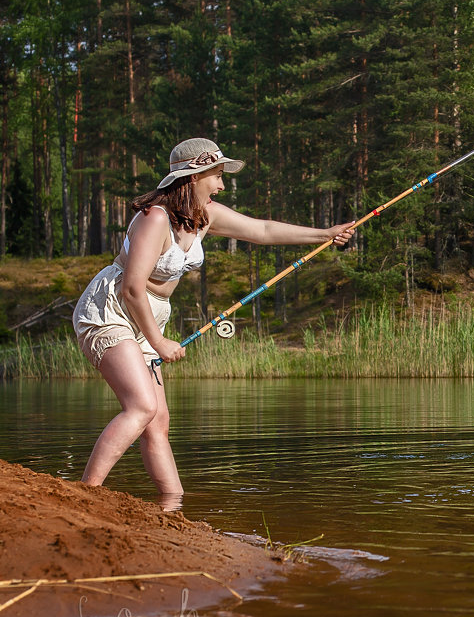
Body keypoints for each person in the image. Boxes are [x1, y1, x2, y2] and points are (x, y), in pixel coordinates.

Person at [72, 138, 356, 507]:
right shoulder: (155, 218)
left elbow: (263, 231)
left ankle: (172, 505)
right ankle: (84, 496)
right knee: (141, 407)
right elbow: (131, 288)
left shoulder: (205, 215)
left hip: (148, 314)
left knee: (158, 422)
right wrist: (159, 342)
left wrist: (325, 234)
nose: (221, 185)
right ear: (192, 177)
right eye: (217, 176)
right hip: (111, 309)